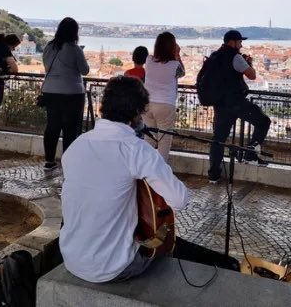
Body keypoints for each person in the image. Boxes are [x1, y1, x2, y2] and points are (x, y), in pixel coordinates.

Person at [60, 76, 239, 283]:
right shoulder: (135, 150)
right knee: (165, 244)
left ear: (104, 107)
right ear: (137, 113)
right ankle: (228, 268)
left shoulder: (76, 146)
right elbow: (180, 200)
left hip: (71, 257)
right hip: (112, 267)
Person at [207, 30, 271, 184]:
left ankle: (214, 174)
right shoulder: (235, 57)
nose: (241, 45)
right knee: (263, 121)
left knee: (219, 139)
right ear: (232, 42)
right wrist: (248, 63)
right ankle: (250, 154)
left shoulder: (214, 56)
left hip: (220, 104)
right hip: (236, 102)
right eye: (239, 42)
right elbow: (252, 75)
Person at [41, 17, 90, 173]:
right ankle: (68, 162)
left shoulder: (49, 47)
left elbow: (47, 66)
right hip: (72, 92)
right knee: (71, 128)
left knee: (52, 126)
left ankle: (49, 161)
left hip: (50, 90)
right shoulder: (75, 49)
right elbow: (85, 70)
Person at [143, 33, 185, 161]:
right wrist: (177, 55)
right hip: (165, 104)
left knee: (149, 137)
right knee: (164, 139)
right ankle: (161, 171)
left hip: (147, 103)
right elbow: (182, 73)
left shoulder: (149, 60)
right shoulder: (174, 65)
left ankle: (146, 167)